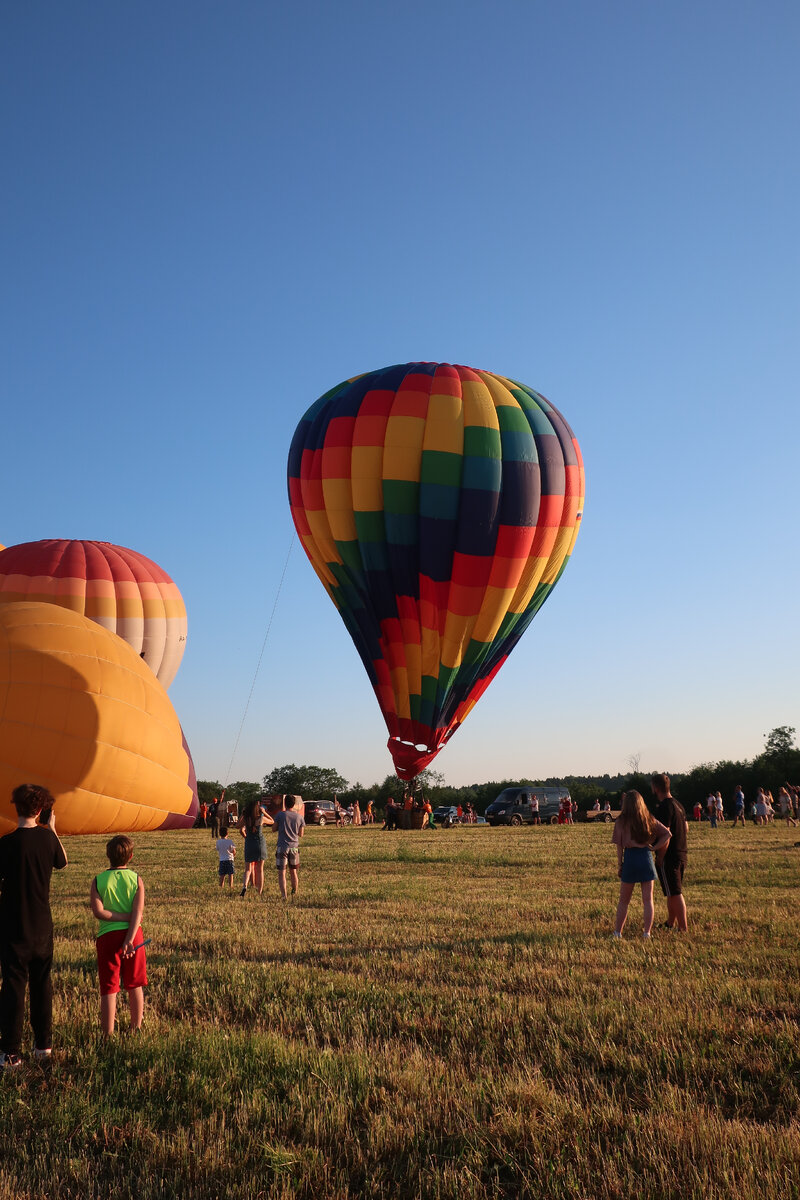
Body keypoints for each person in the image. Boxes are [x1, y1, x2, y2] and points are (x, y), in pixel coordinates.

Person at [0, 784, 68, 1068]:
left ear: (15, 807)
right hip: (42, 925)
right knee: (43, 985)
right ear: (41, 809)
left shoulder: (5, 843)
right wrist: (51, 828)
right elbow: (62, 861)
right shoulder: (48, 840)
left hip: (13, 924)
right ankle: (44, 1046)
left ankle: (11, 1053)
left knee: (14, 987)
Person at [89, 835, 146, 1035]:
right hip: (134, 936)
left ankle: (108, 1034)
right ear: (131, 856)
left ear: (107, 856)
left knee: (109, 987)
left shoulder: (98, 881)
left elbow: (99, 912)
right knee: (135, 983)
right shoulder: (136, 879)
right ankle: (135, 1028)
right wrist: (129, 939)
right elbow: (138, 914)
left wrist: (121, 917)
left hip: (107, 937)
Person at [611, 790, 671, 939]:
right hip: (645, 857)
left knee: (624, 901)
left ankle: (618, 932)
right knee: (648, 900)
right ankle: (647, 933)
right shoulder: (648, 818)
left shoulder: (620, 821)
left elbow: (619, 846)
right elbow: (667, 834)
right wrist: (654, 848)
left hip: (630, 858)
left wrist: (620, 864)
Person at [651, 773, 689, 931]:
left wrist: (660, 856)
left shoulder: (664, 807)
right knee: (671, 891)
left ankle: (683, 928)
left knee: (675, 892)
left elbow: (665, 834)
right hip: (681, 852)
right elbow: (686, 827)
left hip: (669, 856)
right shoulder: (678, 805)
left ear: (656, 788)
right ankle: (670, 923)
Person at [273, 796, 305, 900]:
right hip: (294, 847)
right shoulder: (299, 817)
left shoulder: (280, 815)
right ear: (294, 804)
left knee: (282, 872)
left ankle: (284, 895)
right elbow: (301, 834)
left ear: (284, 803)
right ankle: (294, 891)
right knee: (293, 871)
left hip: (282, 846)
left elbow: (273, 829)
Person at [239, 800, 272, 897]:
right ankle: (259, 891)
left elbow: (238, 826)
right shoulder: (261, 819)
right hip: (259, 844)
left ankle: (245, 886)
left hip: (249, 843)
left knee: (248, 869)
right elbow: (272, 821)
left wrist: (242, 814)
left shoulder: (246, 818)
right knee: (260, 869)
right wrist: (264, 812)